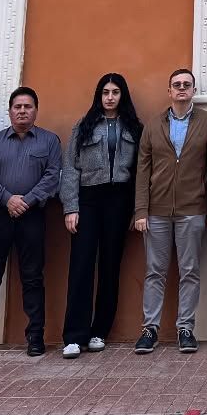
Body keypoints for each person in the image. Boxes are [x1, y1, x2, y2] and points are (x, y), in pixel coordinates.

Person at [0, 86, 62, 358]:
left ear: (36, 111)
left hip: (33, 216)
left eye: (28, 107)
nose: (22, 111)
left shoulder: (49, 141)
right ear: (10, 111)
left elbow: (52, 177)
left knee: (32, 277)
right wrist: (8, 200)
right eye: (17, 107)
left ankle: (35, 336)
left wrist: (26, 200)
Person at [133, 67, 207, 355]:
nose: (182, 88)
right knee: (154, 271)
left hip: (192, 209)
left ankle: (186, 328)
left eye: (187, 84)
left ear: (193, 91)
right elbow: (142, 170)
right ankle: (150, 329)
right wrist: (140, 210)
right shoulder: (153, 125)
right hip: (155, 211)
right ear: (169, 91)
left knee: (190, 271)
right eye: (176, 85)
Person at [61, 72, 142, 359]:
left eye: (115, 92)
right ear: (99, 95)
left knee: (110, 265)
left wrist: (136, 209)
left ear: (123, 96)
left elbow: (139, 174)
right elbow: (70, 168)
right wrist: (71, 207)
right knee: (81, 264)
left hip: (118, 200)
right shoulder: (83, 126)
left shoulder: (134, 127)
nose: (110, 97)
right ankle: (74, 335)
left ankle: (99, 331)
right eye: (105, 92)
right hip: (89, 199)